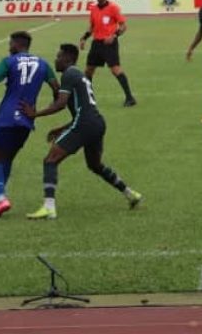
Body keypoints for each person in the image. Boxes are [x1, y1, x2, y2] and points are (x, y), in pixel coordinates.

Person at [22, 43, 143, 220]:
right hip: (96, 123)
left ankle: (49, 207)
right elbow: (82, 109)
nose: (56, 59)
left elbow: (61, 103)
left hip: (85, 124)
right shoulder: (80, 76)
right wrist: (62, 128)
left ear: (68, 59)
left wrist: (36, 114)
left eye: (59, 56)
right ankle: (131, 194)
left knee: (50, 160)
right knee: (95, 165)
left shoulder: (69, 73)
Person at [0, 31, 59, 219]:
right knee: (7, 159)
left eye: (10, 43)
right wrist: (45, 109)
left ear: (17, 44)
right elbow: (57, 89)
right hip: (26, 121)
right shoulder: (43, 64)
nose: (9, 47)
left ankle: (1, 196)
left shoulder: (9, 61)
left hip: (6, 119)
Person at [80, 0, 136, 106]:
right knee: (88, 71)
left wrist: (114, 36)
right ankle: (89, 98)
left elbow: (123, 26)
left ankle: (130, 97)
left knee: (115, 70)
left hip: (109, 44)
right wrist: (84, 38)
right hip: (96, 43)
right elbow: (92, 26)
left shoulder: (113, 8)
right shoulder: (93, 9)